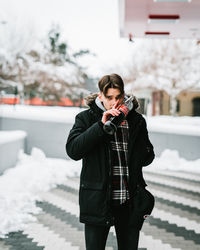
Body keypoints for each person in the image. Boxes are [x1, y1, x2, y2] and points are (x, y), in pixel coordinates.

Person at [66, 73, 155, 250]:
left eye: (118, 97)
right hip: (98, 200)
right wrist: (101, 126)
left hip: (128, 202)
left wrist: (139, 143)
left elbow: (148, 158)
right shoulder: (86, 118)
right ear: (100, 96)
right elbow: (73, 151)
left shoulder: (136, 121)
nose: (114, 102)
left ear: (123, 95)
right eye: (109, 98)